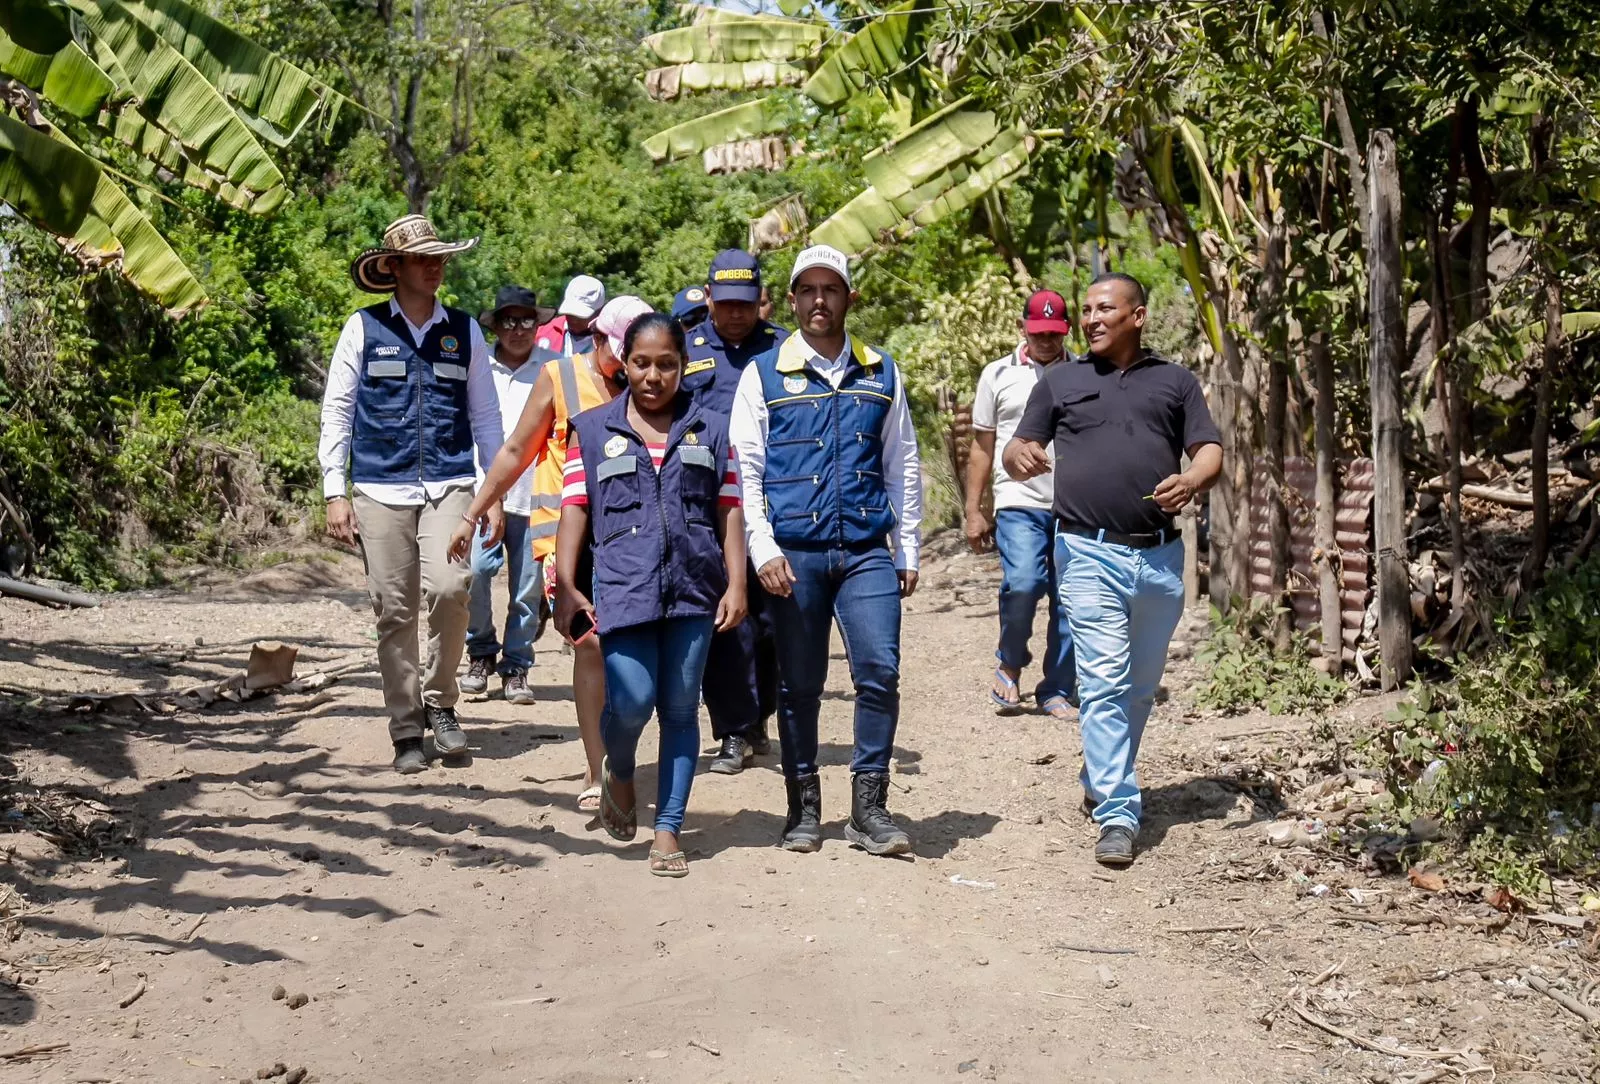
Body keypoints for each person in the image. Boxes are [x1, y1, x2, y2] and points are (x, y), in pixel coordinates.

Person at [1004, 273, 1223, 868]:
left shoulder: (1174, 382)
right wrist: (1019, 454)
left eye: (1106, 309)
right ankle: (1119, 811)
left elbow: (1209, 450)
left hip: (1158, 559)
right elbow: (1018, 445)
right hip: (1087, 553)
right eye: (1088, 311)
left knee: (1139, 687)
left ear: (1139, 315)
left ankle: (1101, 773)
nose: (1093, 319)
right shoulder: (1061, 380)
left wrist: (1193, 479)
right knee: (1100, 682)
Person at [729, 244, 922, 856]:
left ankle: (869, 808)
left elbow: (902, 462)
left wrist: (907, 546)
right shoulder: (762, 374)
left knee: (880, 673)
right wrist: (763, 550)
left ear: (848, 298)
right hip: (796, 554)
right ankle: (803, 807)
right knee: (800, 684)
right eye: (808, 290)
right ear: (791, 300)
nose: (819, 300)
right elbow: (747, 473)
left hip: (867, 550)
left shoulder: (882, 371)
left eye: (831, 289)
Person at [554, 312, 748, 878]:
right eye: (642, 362)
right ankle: (618, 769)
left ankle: (668, 829)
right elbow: (574, 511)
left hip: (694, 589)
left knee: (683, 709)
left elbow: (728, 510)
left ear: (682, 367)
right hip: (624, 587)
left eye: (667, 364)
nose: (654, 375)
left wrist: (736, 583)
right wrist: (566, 586)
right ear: (624, 363)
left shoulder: (711, 428)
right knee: (633, 700)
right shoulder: (590, 431)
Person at [450, 295, 650, 811]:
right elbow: (516, 449)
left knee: (629, 655)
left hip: (635, 540)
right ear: (598, 336)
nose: (626, 359)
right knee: (589, 646)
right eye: (620, 347)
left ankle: (621, 753)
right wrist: (475, 511)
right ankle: (596, 767)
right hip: (564, 538)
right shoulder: (559, 378)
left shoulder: (649, 383)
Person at [321, 213, 504, 774]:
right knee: (393, 609)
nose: (435, 268)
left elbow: (486, 416)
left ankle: (441, 703)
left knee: (452, 588)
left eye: (440, 258)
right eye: (424, 259)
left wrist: (493, 490)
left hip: (450, 484)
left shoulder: (464, 331)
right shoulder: (364, 327)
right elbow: (338, 408)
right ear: (394, 267)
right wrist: (335, 490)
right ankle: (406, 729)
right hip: (379, 487)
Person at [683, 249, 790, 774]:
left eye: (745, 304)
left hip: (772, 502)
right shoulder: (685, 350)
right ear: (708, 298)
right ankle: (731, 730)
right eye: (725, 305)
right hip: (708, 504)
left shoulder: (785, 349)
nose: (735, 314)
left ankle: (760, 715)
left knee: (771, 622)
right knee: (725, 620)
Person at [965, 289, 1077, 720]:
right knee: (1025, 582)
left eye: (1054, 333)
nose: (1046, 341)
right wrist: (975, 510)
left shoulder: (1085, 373)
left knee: (1070, 597)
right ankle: (1010, 663)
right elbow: (982, 447)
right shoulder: (997, 375)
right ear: (1022, 329)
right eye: (1038, 333)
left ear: (1066, 331)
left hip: (1072, 504)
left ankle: (1056, 688)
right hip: (1017, 500)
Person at [460, 286, 561, 704]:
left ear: (538, 325)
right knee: (477, 575)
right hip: (485, 493)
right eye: (508, 321)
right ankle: (480, 652)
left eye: (526, 320)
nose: (517, 329)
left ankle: (517, 666)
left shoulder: (555, 368)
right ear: (496, 326)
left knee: (527, 588)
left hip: (536, 494)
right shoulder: (478, 364)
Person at [536, 275, 605, 356]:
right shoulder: (543, 331)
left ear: (599, 311)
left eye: (580, 315)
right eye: (570, 313)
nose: (574, 320)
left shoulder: (610, 343)